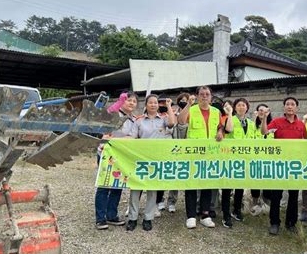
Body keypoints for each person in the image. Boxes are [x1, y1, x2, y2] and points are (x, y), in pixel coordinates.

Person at [178, 86, 230, 229]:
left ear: (211, 96)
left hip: (210, 153)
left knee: (207, 184)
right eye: (201, 94)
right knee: (191, 184)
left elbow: (220, 126)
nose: (204, 96)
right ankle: (191, 216)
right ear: (197, 96)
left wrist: (220, 132)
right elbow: (181, 121)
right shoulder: (192, 109)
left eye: (207, 94)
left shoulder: (216, 111)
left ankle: (205, 214)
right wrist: (188, 104)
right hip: (193, 153)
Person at [126, 94, 175, 231]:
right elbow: (132, 138)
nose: (153, 104)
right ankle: (132, 218)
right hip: (141, 160)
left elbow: (172, 123)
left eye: (155, 103)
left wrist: (169, 106)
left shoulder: (163, 119)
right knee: (135, 189)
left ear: (158, 105)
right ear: (146, 105)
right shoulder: (139, 121)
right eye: (150, 102)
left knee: (152, 191)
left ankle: (148, 218)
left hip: (156, 161)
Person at [260, 97, 307, 236]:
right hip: (279, 164)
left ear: (297, 108)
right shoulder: (276, 122)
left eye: (292, 104)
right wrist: (264, 119)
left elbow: (306, 142)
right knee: (276, 195)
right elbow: (264, 132)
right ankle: (274, 223)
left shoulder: (301, 125)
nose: (290, 106)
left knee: (293, 196)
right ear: (284, 107)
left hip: (294, 165)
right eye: (287, 104)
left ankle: (291, 223)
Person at [95, 91, 138, 230]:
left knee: (117, 186)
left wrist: (116, 139)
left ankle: (112, 215)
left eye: (134, 101)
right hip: (106, 154)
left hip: (121, 157)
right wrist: (121, 140)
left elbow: (133, 138)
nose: (131, 103)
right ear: (122, 101)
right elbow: (104, 135)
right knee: (104, 186)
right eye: (128, 100)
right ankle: (100, 218)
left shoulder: (133, 120)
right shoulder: (112, 114)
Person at [222, 98, 255, 228]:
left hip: (244, 159)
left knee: (240, 187)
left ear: (247, 108)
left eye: (244, 105)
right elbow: (229, 130)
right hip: (230, 158)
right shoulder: (230, 119)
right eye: (239, 105)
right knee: (227, 187)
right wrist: (229, 113)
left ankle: (236, 210)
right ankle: (226, 215)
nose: (241, 107)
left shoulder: (251, 123)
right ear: (235, 108)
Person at [250, 104, 273, 216]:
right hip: (255, 158)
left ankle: (266, 205)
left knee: (267, 182)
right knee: (255, 181)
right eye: (260, 110)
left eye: (264, 110)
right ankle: (255, 204)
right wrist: (254, 119)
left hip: (268, 158)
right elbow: (250, 135)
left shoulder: (272, 124)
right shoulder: (252, 124)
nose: (262, 112)